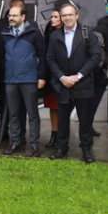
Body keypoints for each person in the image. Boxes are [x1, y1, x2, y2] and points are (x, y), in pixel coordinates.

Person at [47, 3, 102, 163]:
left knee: (85, 120)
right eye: (64, 15)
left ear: (77, 16)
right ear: (61, 18)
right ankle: (62, 148)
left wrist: (78, 76)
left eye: (70, 15)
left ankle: (86, 150)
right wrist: (62, 77)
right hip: (63, 85)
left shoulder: (87, 33)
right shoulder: (55, 36)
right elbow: (50, 59)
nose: (67, 18)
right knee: (62, 119)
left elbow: (95, 57)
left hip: (82, 84)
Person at [0, 5, 45, 157]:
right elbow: (0, 57)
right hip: (11, 80)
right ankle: (15, 143)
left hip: (29, 79)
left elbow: (43, 55)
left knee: (32, 113)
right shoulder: (4, 34)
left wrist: (41, 76)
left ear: (23, 17)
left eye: (14, 15)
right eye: (9, 16)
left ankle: (34, 145)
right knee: (13, 114)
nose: (11, 18)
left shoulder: (34, 32)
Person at [0, 0, 27, 143]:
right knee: (5, 102)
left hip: (24, 74)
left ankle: (21, 134)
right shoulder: (0, 25)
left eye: (16, 9)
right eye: (11, 9)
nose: (11, 13)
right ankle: (3, 131)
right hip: (4, 73)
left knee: (22, 104)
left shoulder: (31, 26)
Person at [42, 9, 63, 148]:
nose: (52, 19)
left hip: (63, 74)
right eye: (51, 17)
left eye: (56, 17)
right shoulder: (49, 31)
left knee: (62, 107)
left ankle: (61, 136)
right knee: (52, 106)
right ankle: (54, 135)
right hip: (50, 75)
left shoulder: (66, 32)